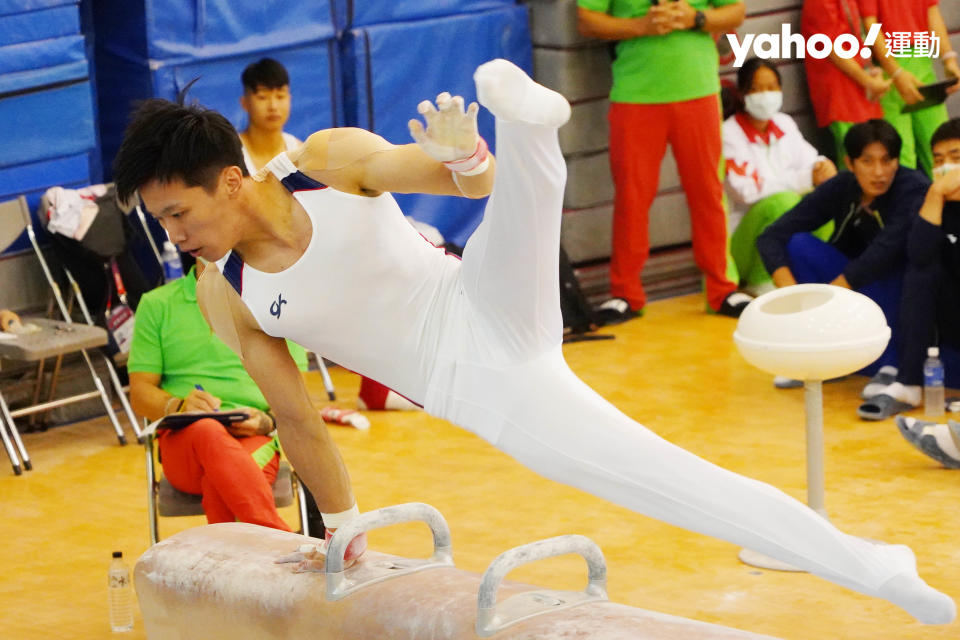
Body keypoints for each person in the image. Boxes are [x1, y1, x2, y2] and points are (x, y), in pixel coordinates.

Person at [113, 59, 954, 623]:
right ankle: (872, 561)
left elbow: (450, 178)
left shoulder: (324, 162)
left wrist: (468, 156)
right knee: (673, 480)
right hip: (481, 387)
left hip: (480, 297)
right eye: (163, 223)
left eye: (178, 214)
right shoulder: (233, 298)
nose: (175, 236)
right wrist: (343, 524)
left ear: (227, 180)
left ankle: (523, 127)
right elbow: (296, 417)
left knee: (511, 197)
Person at [236, 57, 420, 413]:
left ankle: (382, 381)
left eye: (280, 95)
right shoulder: (234, 155)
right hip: (260, 266)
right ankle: (380, 383)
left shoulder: (298, 147)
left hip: (306, 253)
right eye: (262, 96)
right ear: (244, 102)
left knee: (378, 268)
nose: (273, 105)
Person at [576, 0, 752, 324]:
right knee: (632, 197)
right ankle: (625, 294)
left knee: (708, 193)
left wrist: (695, 17)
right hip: (635, 95)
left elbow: (735, 12)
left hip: (698, 91)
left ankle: (721, 289)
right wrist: (640, 26)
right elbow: (586, 20)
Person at [128, 259, 313, 533]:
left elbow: (297, 396)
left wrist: (268, 421)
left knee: (224, 483)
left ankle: (233, 570)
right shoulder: (158, 304)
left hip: (254, 436)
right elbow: (140, 394)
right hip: (184, 441)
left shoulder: (273, 302)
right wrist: (179, 405)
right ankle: (284, 541)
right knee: (206, 430)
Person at [756, 120, 929, 397]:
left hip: (896, 289)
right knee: (799, 245)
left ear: (897, 161)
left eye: (887, 161)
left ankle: (891, 365)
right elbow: (771, 237)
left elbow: (886, 250)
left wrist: (830, 295)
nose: (879, 172)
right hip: (852, 288)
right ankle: (827, 358)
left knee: (902, 269)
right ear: (850, 162)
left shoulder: (914, 189)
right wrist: (791, 295)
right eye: (867, 161)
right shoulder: (842, 187)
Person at [722, 58, 837, 295]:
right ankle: (758, 277)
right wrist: (805, 179)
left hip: (782, 227)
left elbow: (810, 159)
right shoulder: (729, 133)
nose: (766, 95)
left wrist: (822, 166)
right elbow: (747, 191)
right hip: (742, 241)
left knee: (826, 200)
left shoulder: (784, 123)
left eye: (772, 87)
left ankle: (804, 268)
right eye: (756, 88)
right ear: (743, 94)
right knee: (782, 203)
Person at [870, 119, 960, 423]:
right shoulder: (931, 201)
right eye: (938, 160)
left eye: (956, 158)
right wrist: (935, 197)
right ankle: (908, 383)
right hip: (952, 320)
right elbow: (919, 257)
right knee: (922, 272)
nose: (946, 167)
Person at [862, 0, 959, 176]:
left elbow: (932, 11)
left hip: (921, 59)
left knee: (945, 146)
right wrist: (895, 72)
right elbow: (870, 25)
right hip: (888, 66)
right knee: (900, 153)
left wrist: (949, 58)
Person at [801, 0, 890, 170]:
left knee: (872, 156)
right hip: (841, 94)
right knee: (857, 160)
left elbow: (856, 35)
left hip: (859, 87)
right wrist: (867, 80)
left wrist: (870, 70)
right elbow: (830, 47)